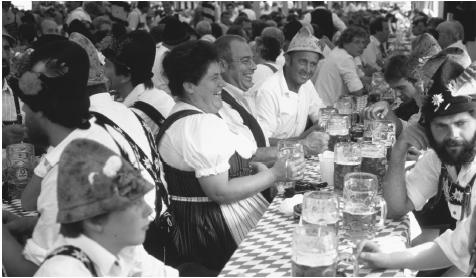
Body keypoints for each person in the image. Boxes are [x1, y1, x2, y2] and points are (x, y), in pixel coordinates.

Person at [158, 40, 304, 272]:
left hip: (216, 222)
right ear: (189, 86)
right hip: (213, 233)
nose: (222, 83)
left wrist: (256, 167)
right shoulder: (198, 124)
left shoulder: (192, 117)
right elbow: (220, 191)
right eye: (214, 78)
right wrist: (275, 174)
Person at [34, 139, 178, 276]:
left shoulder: (124, 249)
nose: (149, 211)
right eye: (135, 203)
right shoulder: (64, 272)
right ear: (94, 221)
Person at [383, 58, 476, 253]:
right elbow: (396, 208)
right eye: (441, 125)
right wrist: (400, 148)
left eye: (460, 123)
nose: (452, 135)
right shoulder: (439, 157)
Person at [255, 26, 328, 148]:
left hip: (297, 156)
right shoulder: (268, 91)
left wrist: (327, 121)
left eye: (313, 64)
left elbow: (321, 116)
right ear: (287, 60)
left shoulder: (306, 84)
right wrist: (303, 139)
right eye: (303, 62)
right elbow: (263, 143)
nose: (308, 70)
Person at [103, 30, 175, 137]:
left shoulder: (135, 115)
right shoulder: (157, 96)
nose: (101, 70)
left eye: (106, 65)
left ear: (125, 76)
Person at [316, 26, 368, 106]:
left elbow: (362, 78)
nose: (361, 46)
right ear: (345, 43)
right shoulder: (344, 58)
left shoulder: (342, 52)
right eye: (357, 42)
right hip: (328, 110)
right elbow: (358, 91)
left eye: (363, 42)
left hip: (326, 106)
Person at [151, 16, 190, 94]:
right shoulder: (169, 56)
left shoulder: (156, 49)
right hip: (167, 98)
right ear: (181, 42)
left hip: (154, 95)